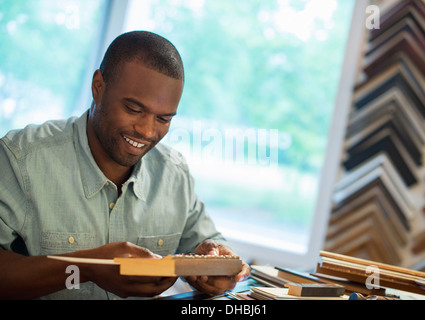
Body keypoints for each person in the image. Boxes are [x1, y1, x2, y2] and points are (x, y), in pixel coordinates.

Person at [0, 31, 250, 299]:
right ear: (98, 87)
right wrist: (86, 268)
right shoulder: (20, 159)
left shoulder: (174, 174)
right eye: (133, 109)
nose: (146, 131)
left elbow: (209, 243)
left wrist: (218, 264)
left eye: (163, 119)